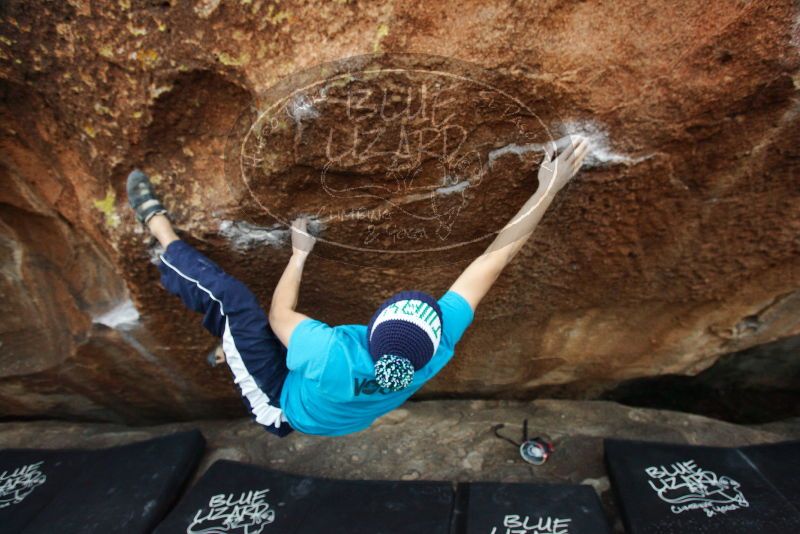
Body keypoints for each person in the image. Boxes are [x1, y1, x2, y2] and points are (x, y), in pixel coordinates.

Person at [127, 135, 588, 437]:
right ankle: (232, 350)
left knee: (234, 306)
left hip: (282, 405)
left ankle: (160, 230)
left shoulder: (332, 351)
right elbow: (495, 258)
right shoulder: (434, 350)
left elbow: (278, 315)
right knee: (276, 339)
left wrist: (299, 253)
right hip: (328, 402)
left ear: (371, 328)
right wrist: (547, 188)